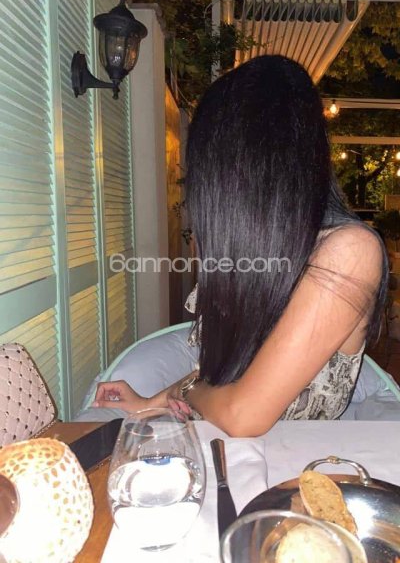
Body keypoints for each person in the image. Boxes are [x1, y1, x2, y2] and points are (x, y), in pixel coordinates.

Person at [94, 55, 388, 437]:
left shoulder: (348, 250)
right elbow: (230, 378)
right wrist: (148, 401)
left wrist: (189, 392)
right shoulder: (257, 253)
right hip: (216, 448)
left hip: (287, 461)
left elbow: (242, 414)